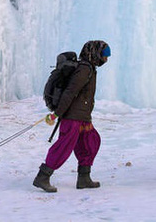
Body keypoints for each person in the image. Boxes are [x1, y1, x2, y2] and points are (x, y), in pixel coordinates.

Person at [33, 40, 110, 193]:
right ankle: (43, 176)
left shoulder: (90, 68)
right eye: (104, 55)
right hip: (72, 117)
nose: (106, 59)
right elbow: (70, 92)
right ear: (95, 53)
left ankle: (84, 178)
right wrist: (57, 114)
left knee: (91, 141)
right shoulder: (84, 69)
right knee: (64, 146)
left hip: (82, 116)